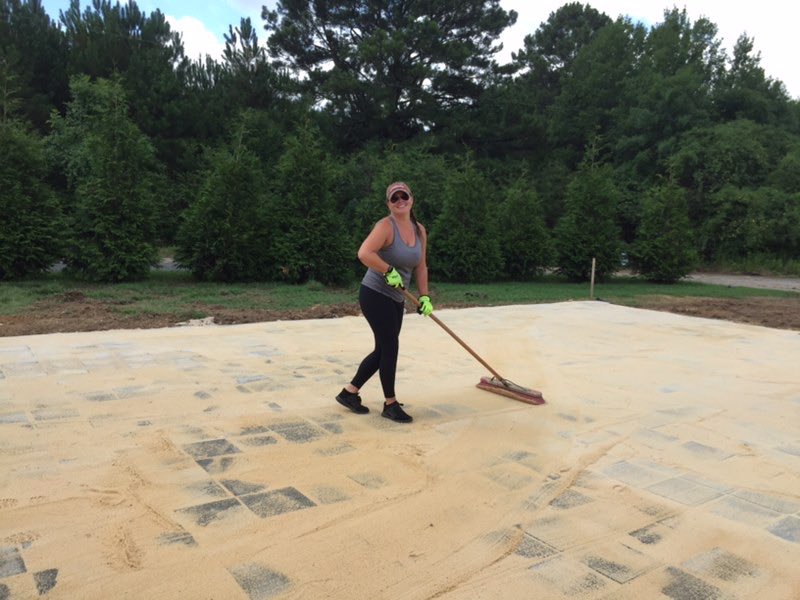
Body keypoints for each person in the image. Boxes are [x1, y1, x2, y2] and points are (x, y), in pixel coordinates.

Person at [335, 182, 434, 423]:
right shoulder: (385, 226)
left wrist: (424, 296)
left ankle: (349, 392)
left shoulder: (419, 230)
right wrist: (387, 269)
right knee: (390, 347)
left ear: (412, 198)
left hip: (397, 297)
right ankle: (390, 404)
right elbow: (364, 253)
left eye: (404, 196)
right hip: (375, 293)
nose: (400, 200)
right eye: (394, 198)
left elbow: (420, 266)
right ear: (388, 203)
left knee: (383, 349)